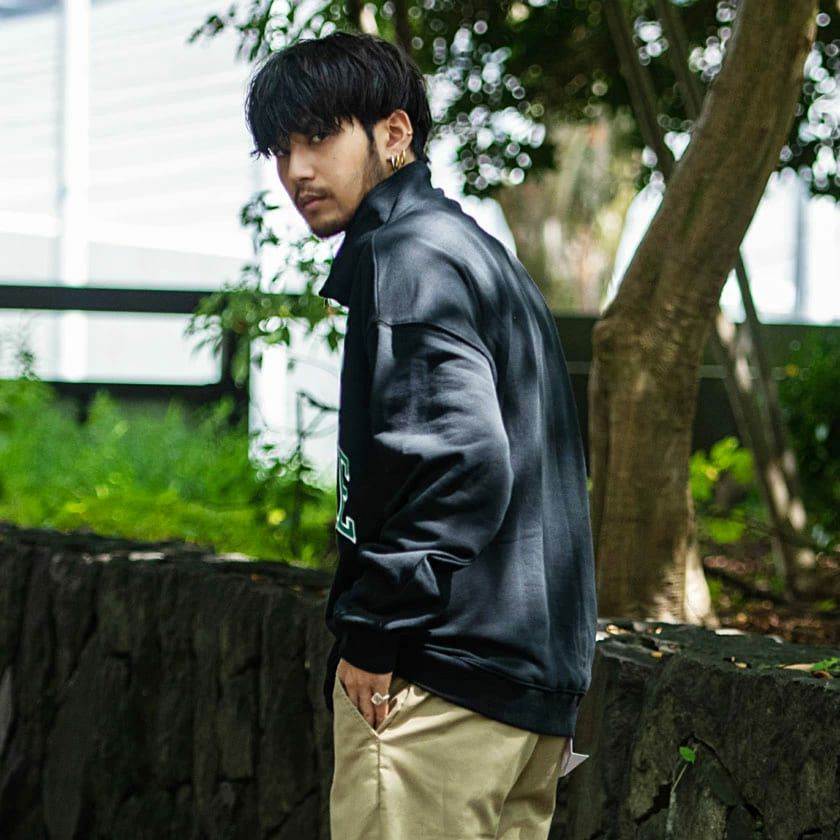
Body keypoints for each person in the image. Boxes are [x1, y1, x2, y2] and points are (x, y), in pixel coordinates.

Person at [245, 30, 598, 840]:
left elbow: (460, 465)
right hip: (521, 691)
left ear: (394, 133)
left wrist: (374, 632)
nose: (296, 170)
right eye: (280, 149)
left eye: (319, 137)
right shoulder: (473, 252)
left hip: (438, 687)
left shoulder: (410, 258)